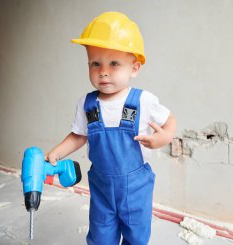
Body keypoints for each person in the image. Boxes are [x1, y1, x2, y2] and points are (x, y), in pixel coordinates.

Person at [45, 11, 177, 244]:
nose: (103, 71)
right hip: (102, 185)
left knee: (136, 234)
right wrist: (55, 153)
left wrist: (163, 138)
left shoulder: (143, 101)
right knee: (100, 232)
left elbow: (170, 121)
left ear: (134, 68)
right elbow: (78, 136)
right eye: (95, 63)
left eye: (114, 63)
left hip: (136, 186)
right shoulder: (88, 105)